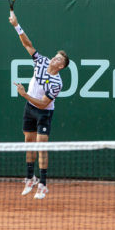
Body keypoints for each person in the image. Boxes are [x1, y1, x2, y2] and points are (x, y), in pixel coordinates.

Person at [8, 11, 69, 199]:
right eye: (56, 56)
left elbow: (43, 104)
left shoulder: (57, 83)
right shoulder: (41, 61)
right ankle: (30, 178)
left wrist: (25, 94)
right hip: (29, 109)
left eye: (59, 59)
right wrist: (16, 25)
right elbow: (28, 44)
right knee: (29, 143)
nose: (55, 58)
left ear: (61, 66)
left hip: (43, 113)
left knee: (42, 145)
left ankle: (43, 183)